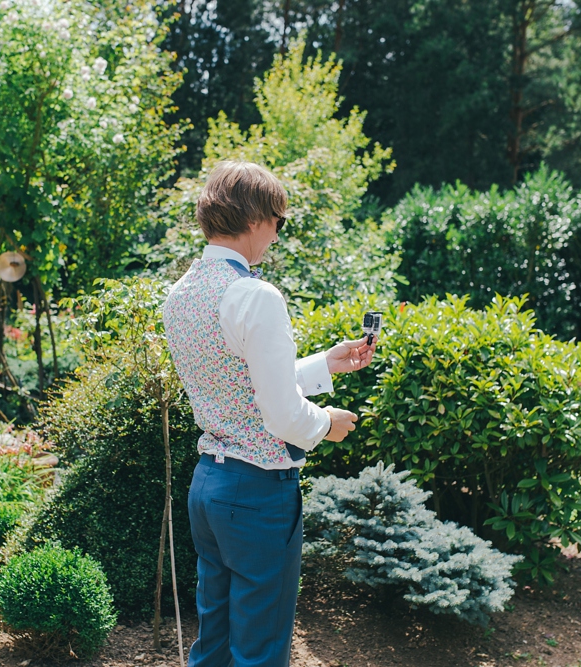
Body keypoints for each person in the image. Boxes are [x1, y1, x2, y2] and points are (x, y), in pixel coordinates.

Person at [162, 160, 376, 667]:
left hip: (208, 487)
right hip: (257, 493)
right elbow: (281, 415)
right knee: (259, 649)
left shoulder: (181, 294)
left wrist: (324, 364)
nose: (278, 233)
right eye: (278, 220)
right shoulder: (255, 295)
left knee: (213, 639)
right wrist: (328, 424)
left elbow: (235, 381)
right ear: (255, 218)